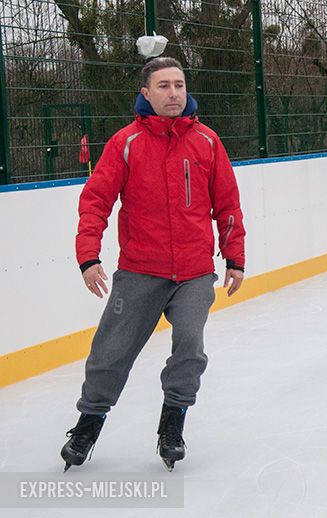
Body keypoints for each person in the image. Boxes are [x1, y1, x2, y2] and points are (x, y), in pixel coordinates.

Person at [61, 57, 246, 471]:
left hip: (195, 272)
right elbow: (95, 202)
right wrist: (88, 257)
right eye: (163, 86)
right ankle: (88, 424)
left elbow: (228, 205)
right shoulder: (125, 143)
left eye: (179, 85)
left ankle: (172, 423)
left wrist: (235, 257)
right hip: (141, 271)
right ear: (146, 93)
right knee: (110, 351)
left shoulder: (207, 142)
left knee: (190, 349)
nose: (174, 93)